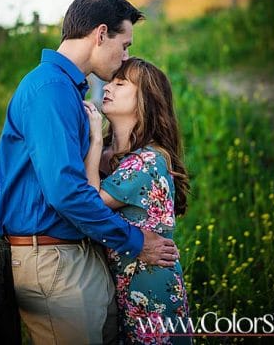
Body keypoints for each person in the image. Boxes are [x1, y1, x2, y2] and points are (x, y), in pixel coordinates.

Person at [0, 0, 179, 344]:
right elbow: (66, 190)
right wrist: (135, 240)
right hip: (54, 259)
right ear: (100, 34)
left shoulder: (67, 90)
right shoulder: (51, 89)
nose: (125, 55)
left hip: (78, 253)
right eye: (124, 44)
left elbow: (54, 174)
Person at [83, 57, 191, 344]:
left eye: (121, 84)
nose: (109, 87)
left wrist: (94, 140)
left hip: (151, 290)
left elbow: (89, 202)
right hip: (118, 288)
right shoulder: (108, 156)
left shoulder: (148, 160)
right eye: (110, 81)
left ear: (146, 100)